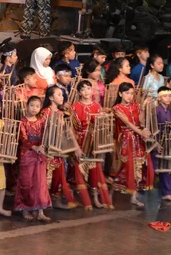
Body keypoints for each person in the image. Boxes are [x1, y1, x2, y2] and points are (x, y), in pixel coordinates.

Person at [70, 81, 113, 209]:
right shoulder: (74, 107)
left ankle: (94, 197)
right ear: (79, 92)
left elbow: (102, 128)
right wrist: (76, 147)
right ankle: (80, 197)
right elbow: (71, 130)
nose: (87, 91)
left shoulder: (97, 106)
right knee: (77, 169)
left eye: (89, 88)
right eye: (83, 89)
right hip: (80, 141)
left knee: (94, 169)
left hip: (94, 142)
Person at [111, 82, 154, 207]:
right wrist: (141, 131)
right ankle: (111, 192)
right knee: (125, 167)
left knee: (138, 167)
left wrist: (145, 106)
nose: (130, 96)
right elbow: (128, 124)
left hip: (138, 139)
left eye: (132, 93)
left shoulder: (136, 105)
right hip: (127, 139)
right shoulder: (117, 108)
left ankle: (133, 197)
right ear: (120, 93)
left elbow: (140, 121)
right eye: (127, 93)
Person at [40, 86, 83, 209]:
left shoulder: (60, 113)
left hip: (58, 150)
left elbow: (68, 131)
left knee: (58, 176)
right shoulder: (45, 113)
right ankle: (43, 201)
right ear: (51, 97)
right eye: (58, 94)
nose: (62, 97)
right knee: (45, 176)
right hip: (47, 150)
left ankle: (55, 200)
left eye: (62, 94)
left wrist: (76, 147)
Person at [14, 96, 51, 221]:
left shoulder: (41, 121)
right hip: (27, 154)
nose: (34, 108)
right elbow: (23, 139)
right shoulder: (23, 121)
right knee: (27, 182)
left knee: (40, 183)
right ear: (27, 106)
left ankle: (40, 211)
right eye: (32, 105)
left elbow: (46, 135)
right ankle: (25, 208)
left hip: (40, 154)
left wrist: (43, 146)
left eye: (37, 106)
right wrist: (35, 147)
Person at [155, 87, 171, 201]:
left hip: (168, 141)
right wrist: (155, 143)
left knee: (167, 166)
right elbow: (153, 128)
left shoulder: (170, 111)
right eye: (165, 96)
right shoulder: (156, 110)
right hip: (159, 141)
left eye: (169, 96)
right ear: (159, 98)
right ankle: (166, 192)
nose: (168, 98)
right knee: (163, 167)